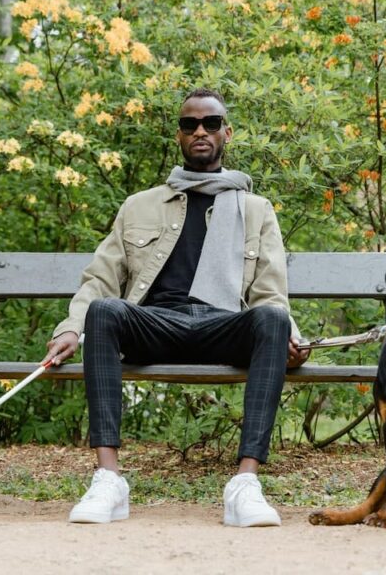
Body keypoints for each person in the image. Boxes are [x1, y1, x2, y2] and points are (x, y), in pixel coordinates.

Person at [42, 88, 309, 527]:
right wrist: (70, 328)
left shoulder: (256, 210)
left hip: (223, 327)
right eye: (190, 125)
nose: (200, 131)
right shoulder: (139, 206)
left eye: (210, 123)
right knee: (105, 310)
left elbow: (270, 295)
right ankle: (108, 478)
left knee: (273, 319)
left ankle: (245, 484)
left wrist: (288, 337)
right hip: (156, 326)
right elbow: (100, 278)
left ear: (227, 132)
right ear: (179, 136)